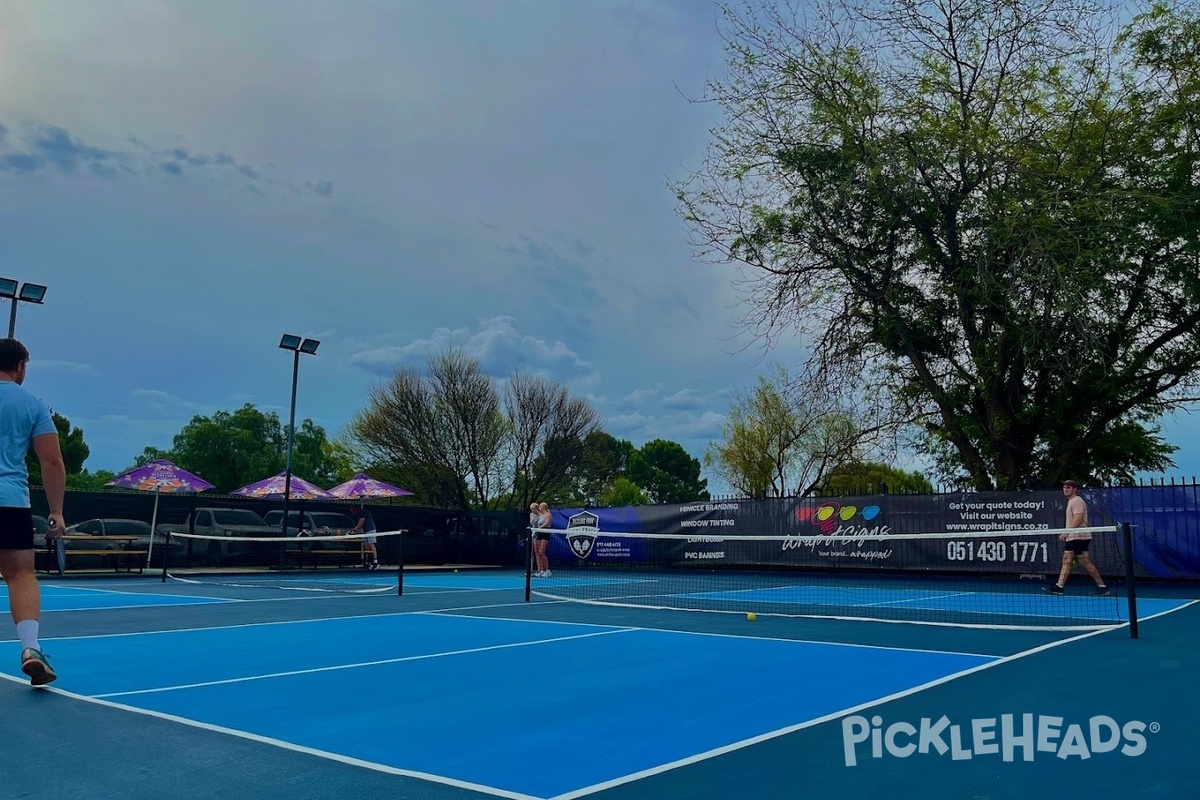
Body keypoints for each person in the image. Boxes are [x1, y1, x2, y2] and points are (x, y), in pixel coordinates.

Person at [0, 338, 67, 685]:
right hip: (11, 500)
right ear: (21, 365)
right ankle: (30, 649)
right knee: (21, 575)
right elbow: (52, 461)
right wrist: (56, 510)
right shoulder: (33, 404)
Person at [1044, 479, 1108, 595]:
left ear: (1075, 489)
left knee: (1070, 560)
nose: (1065, 489)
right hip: (1076, 536)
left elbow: (1079, 517)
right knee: (1075, 561)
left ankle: (1060, 586)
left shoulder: (1077, 501)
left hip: (1077, 536)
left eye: (1068, 487)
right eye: (1064, 487)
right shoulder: (1072, 501)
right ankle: (1101, 586)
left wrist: (1067, 532)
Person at [347, 501, 379, 570]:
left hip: (371, 530)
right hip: (365, 531)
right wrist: (353, 532)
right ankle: (367, 562)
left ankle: (375, 561)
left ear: (355, 509)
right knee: (366, 546)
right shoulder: (359, 514)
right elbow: (359, 525)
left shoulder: (363, 512)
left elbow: (360, 524)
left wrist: (354, 531)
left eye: (352, 510)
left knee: (371, 545)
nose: (352, 512)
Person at [533, 501, 552, 578]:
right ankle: (541, 570)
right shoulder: (540, 516)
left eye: (540, 507)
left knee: (542, 552)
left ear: (543, 507)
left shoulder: (548, 515)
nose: (539, 508)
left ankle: (547, 570)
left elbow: (547, 523)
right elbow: (538, 524)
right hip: (539, 533)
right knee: (538, 553)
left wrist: (539, 528)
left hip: (546, 533)